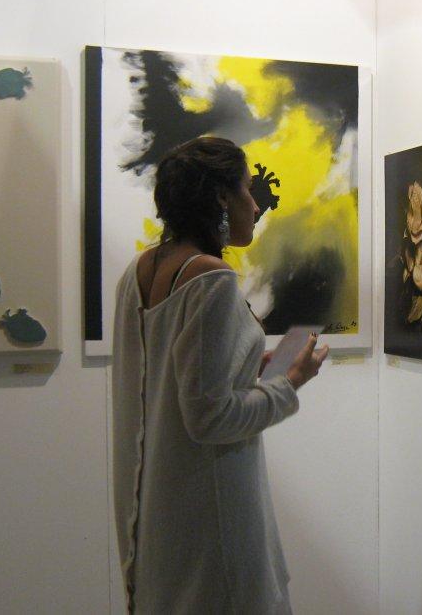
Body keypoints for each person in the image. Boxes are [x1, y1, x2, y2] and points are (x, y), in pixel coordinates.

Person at [111, 136, 329, 614]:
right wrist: (289, 383)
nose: (256, 204)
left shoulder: (138, 272)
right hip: (212, 521)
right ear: (220, 198)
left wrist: (250, 367)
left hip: (157, 515)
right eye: (247, 189)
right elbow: (210, 418)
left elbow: (172, 381)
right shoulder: (211, 280)